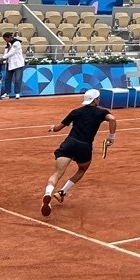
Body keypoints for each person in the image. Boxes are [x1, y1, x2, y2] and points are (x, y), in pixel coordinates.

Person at [40, 88, 116, 217]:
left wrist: (53, 128)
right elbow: (112, 119)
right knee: (82, 169)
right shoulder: (101, 112)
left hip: (69, 144)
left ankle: (48, 192)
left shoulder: (75, 112)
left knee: (57, 173)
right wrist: (111, 137)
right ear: (96, 100)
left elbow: (58, 128)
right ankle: (62, 192)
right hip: (84, 147)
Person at [0, 31, 25, 100]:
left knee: (17, 79)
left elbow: (12, 52)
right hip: (9, 64)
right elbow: (6, 53)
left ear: (9, 37)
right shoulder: (8, 44)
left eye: (5, 39)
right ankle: (7, 93)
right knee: (7, 79)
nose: (5, 41)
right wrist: (4, 60)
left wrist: (3, 58)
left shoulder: (17, 43)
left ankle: (17, 93)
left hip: (18, 64)